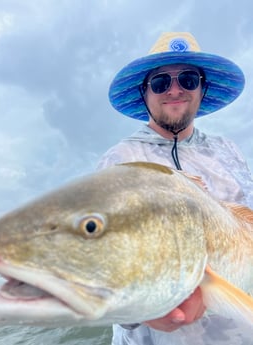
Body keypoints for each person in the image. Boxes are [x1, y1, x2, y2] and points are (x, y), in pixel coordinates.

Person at [97, 32, 253, 344]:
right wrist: (139, 310)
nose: (175, 89)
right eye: (160, 83)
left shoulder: (228, 149)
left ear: (202, 87)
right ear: (145, 93)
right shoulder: (121, 161)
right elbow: (102, 265)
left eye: (188, 78)